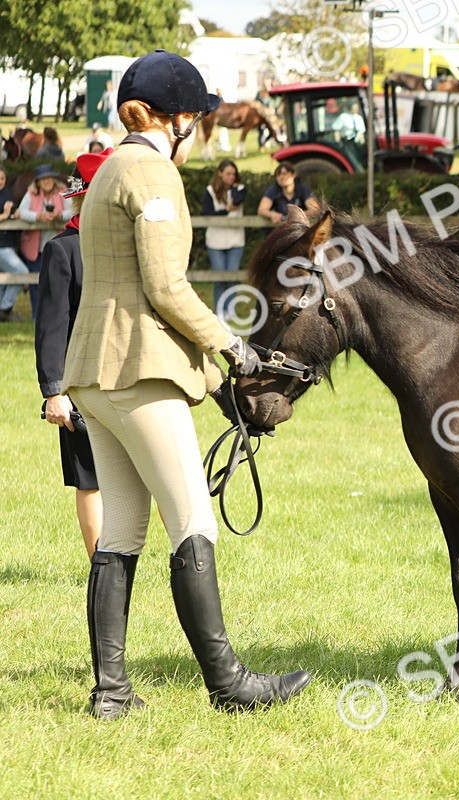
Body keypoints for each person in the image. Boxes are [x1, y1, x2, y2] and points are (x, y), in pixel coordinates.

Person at [62, 49, 310, 720]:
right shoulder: (155, 172)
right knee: (194, 520)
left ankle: (111, 693)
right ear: (180, 119)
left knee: (120, 529)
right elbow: (166, 287)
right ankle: (229, 684)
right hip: (139, 371)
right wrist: (229, 344)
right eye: (198, 117)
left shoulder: (112, 166)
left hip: (92, 371)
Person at [36, 148, 114, 558]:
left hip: (128, 377)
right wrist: (54, 392)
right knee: (91, 478)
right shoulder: (62, 250)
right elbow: (51, 327)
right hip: (81, 385)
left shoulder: (128, 246)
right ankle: (101, 565)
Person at [18, 164, 72, 319]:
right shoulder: (31, 194)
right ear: (38, 182)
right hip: (35, 247)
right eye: (43, 179)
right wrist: (38, 216)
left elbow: (73, 210)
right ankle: (37, 316)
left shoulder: (63, 192)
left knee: (58, 281)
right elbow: (21, 212)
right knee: (36, 282)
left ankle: (57, 316)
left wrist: (59, 215)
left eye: (49, 177)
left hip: (58, 246)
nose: (47, 181)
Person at [200, 160, 247, 319]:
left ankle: (231, 310)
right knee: (220, 277)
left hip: (236, 240)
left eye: (234, 174)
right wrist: (225, 212)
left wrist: (232, 189)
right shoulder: (210, 190)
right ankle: (220, 310)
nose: (231, 177)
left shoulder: (240, 189)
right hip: (216, 241)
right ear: (219, 173)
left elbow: (237, 201)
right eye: (228, 173)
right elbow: (207, 214)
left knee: (232, 277)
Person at [0, 167, 30, 321]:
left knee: (6, 278)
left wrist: (14, 214)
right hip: (1, 247)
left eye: (2, 178)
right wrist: (5, 215)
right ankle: (5, 308)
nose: (0, 182)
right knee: (21, 272)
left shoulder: (6, 194)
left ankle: (2, 309)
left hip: (8, 244)